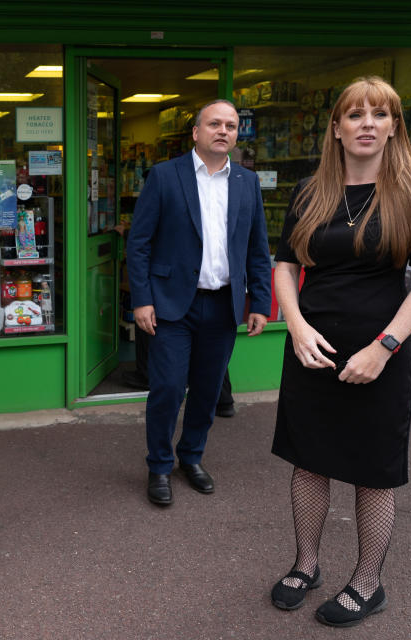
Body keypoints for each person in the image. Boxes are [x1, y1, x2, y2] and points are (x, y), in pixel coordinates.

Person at [268, 77, 411, 627]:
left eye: (379, 114)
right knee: (308, 463)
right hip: (312, 349)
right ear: (337, 128)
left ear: (395, 125)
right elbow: (283, 267)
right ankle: (306, 565)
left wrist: (384, 348)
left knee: (373, 472)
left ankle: (368, 584)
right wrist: (296, 327)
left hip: (381, 354)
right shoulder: (310, 192)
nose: (366, 123)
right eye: (354, 114)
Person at [127, 99, 274, 506]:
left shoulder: (246, 182)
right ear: (196, 132)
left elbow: (258, 250)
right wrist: (142, 300)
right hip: (173, 306)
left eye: (230, 125)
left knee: (208, 391)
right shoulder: (164, 176)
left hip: (223, 305)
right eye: (214, 124)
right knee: (169, 388)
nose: (223, 130)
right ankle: (159, 466)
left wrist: (260, 302)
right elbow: (138, 244)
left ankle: (190, 457)